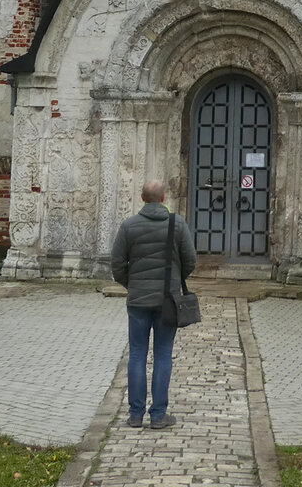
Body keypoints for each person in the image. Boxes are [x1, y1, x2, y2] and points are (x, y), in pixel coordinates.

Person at [110, 179, 198, 429]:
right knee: (162, 355)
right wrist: (174, 280)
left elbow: (117, 264)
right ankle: (158, 415)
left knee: (137, 354)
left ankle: (135, 414)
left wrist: (133, 284)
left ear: (142, 198)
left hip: (138, 301)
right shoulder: (177, 223)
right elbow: (190, 260)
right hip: (167, 300)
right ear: (163, 199)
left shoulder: (128, 226)